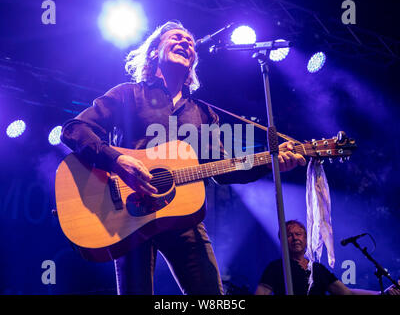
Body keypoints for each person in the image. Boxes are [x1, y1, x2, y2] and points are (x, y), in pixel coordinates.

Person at [60, 20, 306, 295]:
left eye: (189, 41)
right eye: (176, 38)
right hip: (128, 213)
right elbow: (74, 129)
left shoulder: (202, 114)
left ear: (192, 63)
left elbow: (223, 169)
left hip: (181, 218)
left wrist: (271, 161)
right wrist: (116, 160)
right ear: (155, 52)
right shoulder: (128, 94)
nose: (186, 42)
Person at [255, 220, 400, 295]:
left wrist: (382, 293)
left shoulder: (318, 269)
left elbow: (347, 293)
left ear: (306, 239)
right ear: (282, 241)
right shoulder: (276, 267)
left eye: (298, 234)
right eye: (289, 235)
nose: (295, 238)